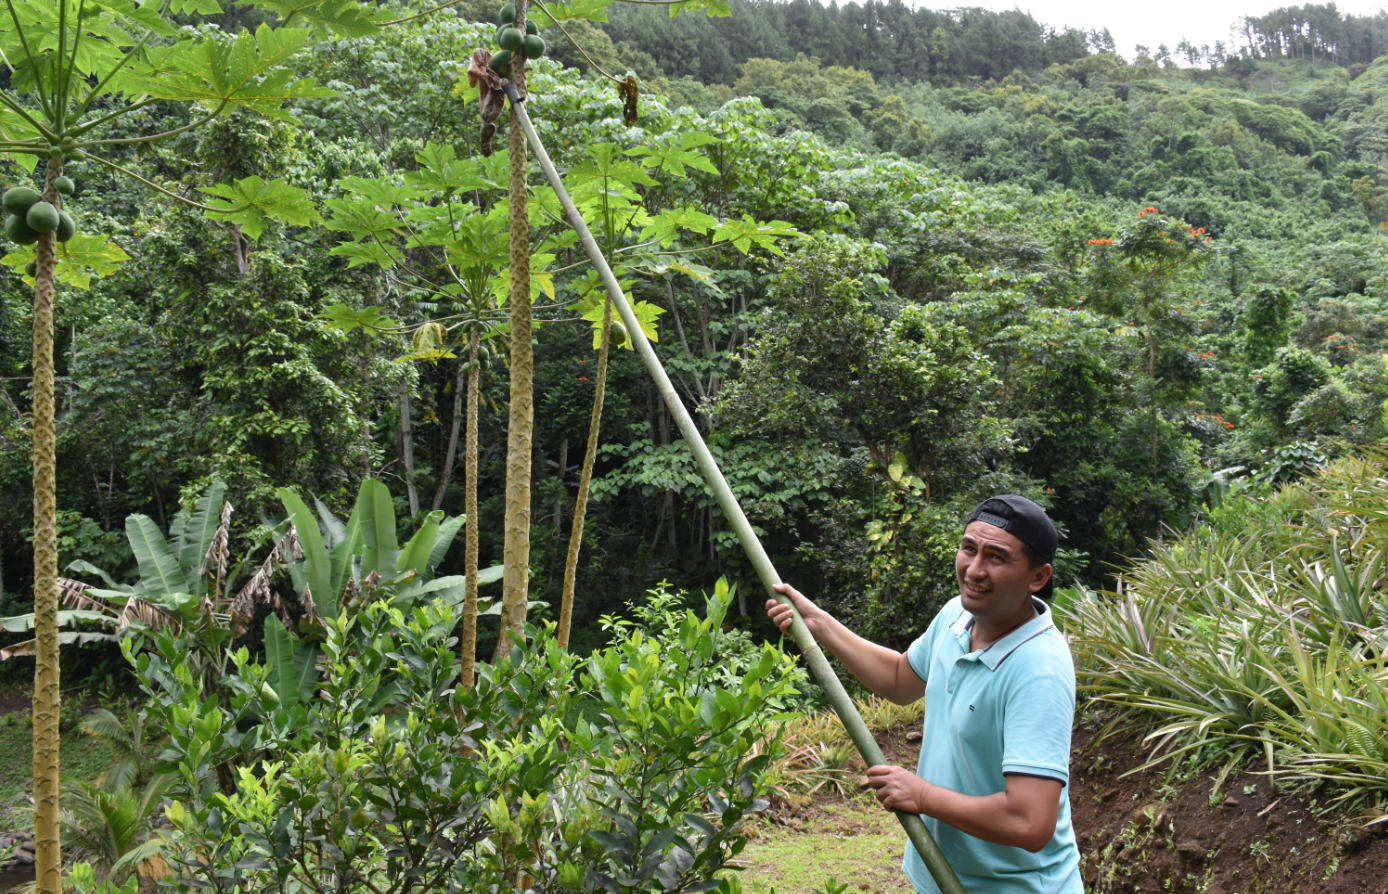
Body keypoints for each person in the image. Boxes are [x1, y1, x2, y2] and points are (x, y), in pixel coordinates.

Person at [766, 495, 1082, 894]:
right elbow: (900, 679)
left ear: (1038, 577)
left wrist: (923, 794)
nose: (975, 570)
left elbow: (1029, 823)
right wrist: (819, 624)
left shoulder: (1039, 669)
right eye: (969, 548)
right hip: (939, 875)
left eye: (997, 558)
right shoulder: (958, 615)